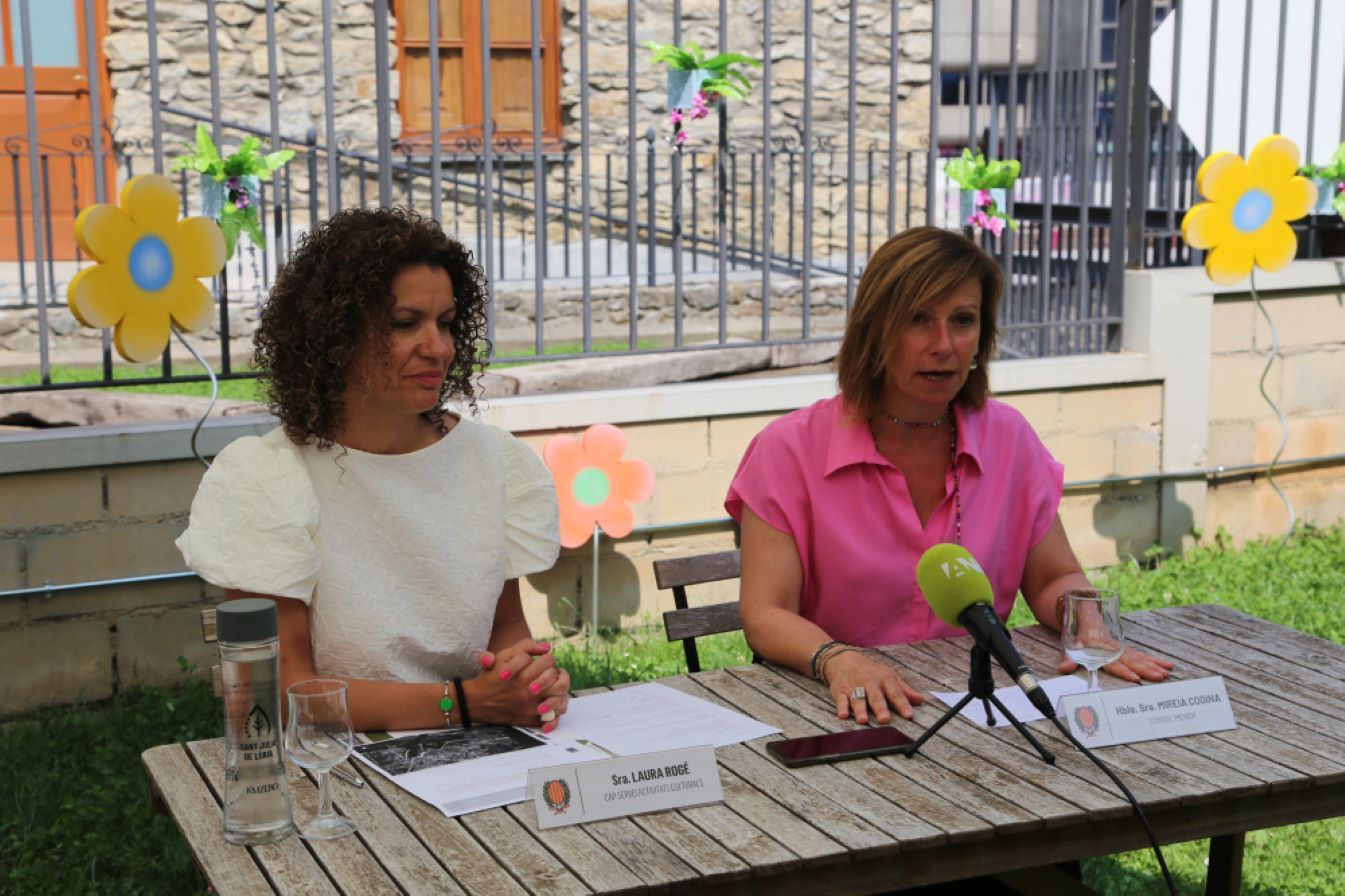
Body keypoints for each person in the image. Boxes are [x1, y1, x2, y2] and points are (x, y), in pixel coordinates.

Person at [726, 226, 1172, 726]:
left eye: (963, 321)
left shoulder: (1009, 438)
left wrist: (1087, 623)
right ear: (876, 329)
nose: (944, 345)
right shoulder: (788, 450)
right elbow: (765, 614)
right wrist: (837, 659)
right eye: (918, 320)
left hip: (979, 707)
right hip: (842, 711)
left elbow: (1053, 577)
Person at [177, 207, 569, 733]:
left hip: (483, 756)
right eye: (405, 324)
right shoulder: (269, 479)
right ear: (334, 337)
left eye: (447, 323)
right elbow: (288, 690)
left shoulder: (491, 462)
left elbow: (506, 636)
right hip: (337, 764)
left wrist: (530, 679)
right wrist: (465, 704)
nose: (439, 348)